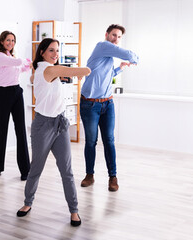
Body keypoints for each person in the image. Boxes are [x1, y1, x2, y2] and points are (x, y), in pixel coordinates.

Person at [16, 38, 90, 227]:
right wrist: (75, 73)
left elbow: (47, 79)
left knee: (67, 170)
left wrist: (65, 76)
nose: (56, 54)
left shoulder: (46, 70)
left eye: (57, 50)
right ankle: (27, 203)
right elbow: (85, 70)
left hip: (60, 123)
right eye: (51, 50)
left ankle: (74, 211)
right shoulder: (48, 69)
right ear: (42, 52)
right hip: (43, 126)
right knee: (36, 169)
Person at [79, 24, 138, 191]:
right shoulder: (103, 46)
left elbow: (107, 74)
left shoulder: (108, 56)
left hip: (107, 103)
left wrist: (121, 68)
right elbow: (128, 54)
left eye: (119, 37)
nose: (116, 39)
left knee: (109, 141)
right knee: (91, 141)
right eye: (114, 35)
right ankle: (89, 175)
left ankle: (113, 177)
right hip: (90, 104)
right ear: (106, 35)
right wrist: (134, 59)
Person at [0, 31, 32, 180]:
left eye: (13, 40)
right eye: (8, 40)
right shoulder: (1, 56)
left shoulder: (10, 57)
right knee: (2, 131)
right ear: (2, 41)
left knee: (20, 130)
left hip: (16, 92)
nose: (11, 43)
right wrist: (27, 61)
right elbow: (18, 63)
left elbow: (18, 68)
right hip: (4, 94)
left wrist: (27, 66)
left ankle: (25, 170)